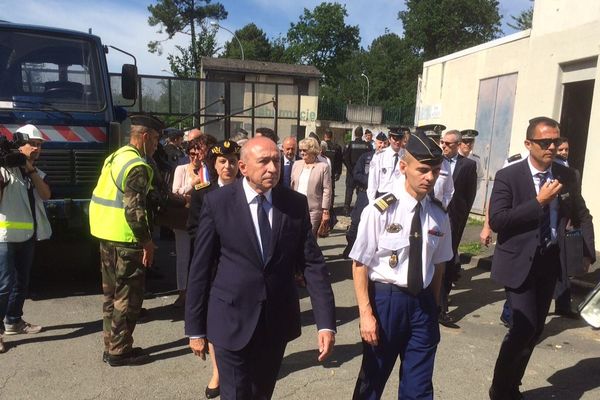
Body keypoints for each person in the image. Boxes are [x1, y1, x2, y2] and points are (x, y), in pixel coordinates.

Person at [185, 136, 336, 400]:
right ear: (243, 167)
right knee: (235, 395)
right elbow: (200, 268)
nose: (273, 168)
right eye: (264, 162)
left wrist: (325, 324)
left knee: (260, 394)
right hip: (230, 319)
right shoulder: (218, 203)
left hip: (275, 323)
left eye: (276, 161)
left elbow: (312, 264)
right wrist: (195, 328)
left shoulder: (293, 204)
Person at [488, 117, 595, 400]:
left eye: (556, 141)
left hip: (549, 261)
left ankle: (512, 384)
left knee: (535, 329)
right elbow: (498, 220)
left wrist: (587, 251)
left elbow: (582, 214)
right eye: (544, 142)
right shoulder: (508, 176)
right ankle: (500, 389)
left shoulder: (566, 174)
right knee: (523, 326)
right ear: (528, 144)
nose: (551, 147)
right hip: (519, 262)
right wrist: (538, 202)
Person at [350, 130, 452, 399]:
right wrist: (365, 314)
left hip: (423, 304)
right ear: (404, 167)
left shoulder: (439, 215)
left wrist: (434, 306)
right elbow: (360, 263)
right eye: (423, 170)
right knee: (372, 381)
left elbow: (439, 265)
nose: (429, 177)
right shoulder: (380, 210)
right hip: (387, 302)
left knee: (419, 388)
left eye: (435, 171)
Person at [89, 114, 165, 367]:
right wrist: (147, 242)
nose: (156, 145)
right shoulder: (137, 167)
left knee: (110, 295)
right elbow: (134, 211)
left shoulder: (117, 156)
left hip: (106, 235)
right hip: (126, 240)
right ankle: (120, 351)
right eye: (154, 139)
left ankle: (110, 343)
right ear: (144, 137)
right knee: (128, 298)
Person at [186, 139, 242, 400]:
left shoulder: (246, 190)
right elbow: (194, 229)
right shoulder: (202, 192)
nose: (227, 166)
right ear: (214, 164)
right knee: (214, 318)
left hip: (240, 264)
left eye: (232, 161)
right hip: (213, 264)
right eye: (222, 161)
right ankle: (218, 372)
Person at [0, 124, 50, 353]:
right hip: (5, 237)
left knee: (21, 283)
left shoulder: (32, 171)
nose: (37, 148)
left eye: (40, 145)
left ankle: (13, 321)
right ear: (21, 145)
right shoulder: (5, 170)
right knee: (4, 286)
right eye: (34, 144)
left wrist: (28, 168)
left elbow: (46, 194)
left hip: (27, 236)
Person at [170, 134, 217, 307]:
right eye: (192, 153)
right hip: (184, 218)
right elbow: (176, 192)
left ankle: (199, 291)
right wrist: (193, 184)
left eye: (198, 152)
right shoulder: (182, 169)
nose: (195, 156)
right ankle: (183, 292)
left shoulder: (209, 169)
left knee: (200, 256)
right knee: (183, 256)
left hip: (203, 217)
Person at [438, 129, 478, 328]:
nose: (444, 146)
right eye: (442, 142)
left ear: (458, 145)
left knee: (447, 261)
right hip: (434, 218)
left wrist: (461, 219)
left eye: (448, 144)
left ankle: (442, 307)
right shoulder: (434, 160)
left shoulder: (468, 166)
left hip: (454, 221)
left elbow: (469, 196)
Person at [343, 132, 389, 258]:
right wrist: (370, 181)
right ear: (375, 143)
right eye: (380, 143)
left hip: (381, 196)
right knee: (356, 222)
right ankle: (350, 246)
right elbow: (356, 174)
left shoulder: (391, 160)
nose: (382, 146)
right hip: (364, 194)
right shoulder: (366, 157)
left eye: (385, 143)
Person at [290, 137, 332, 236]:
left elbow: (327, 189)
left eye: (304, 150)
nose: (302, 153)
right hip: (296, 206)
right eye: (300, 150)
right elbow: (292, 184)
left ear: (312, 150)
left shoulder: (323, 167)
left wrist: (325, 210)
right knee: (294, 236)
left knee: (309, 237)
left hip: (313, 209)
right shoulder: (296, 164)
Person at [366, 126, 409, 201]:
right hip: (383, 196)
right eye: (395, 138)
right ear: (389, 139)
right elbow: (373, 181)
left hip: (400, 197)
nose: (398, 141)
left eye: (400, 138)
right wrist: (371, 201)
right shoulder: (379, 156)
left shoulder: (407, 156)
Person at [419, 124, 455, 208]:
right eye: (430, 139)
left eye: (436, 139)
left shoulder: (445, 163)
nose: (434, 142)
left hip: (435, 210)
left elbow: (449, 191)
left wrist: (441, 207)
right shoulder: (415, 160)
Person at [343, 126, 372, 215]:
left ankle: (346, 209)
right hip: (362, 173)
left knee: (349, 191)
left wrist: (351, 169)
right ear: (362, 134)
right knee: (360, 192)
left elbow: (345, 158)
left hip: (351, 172)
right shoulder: (367, 145)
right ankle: (359, 209)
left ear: (355, 134)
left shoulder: (350, 144)